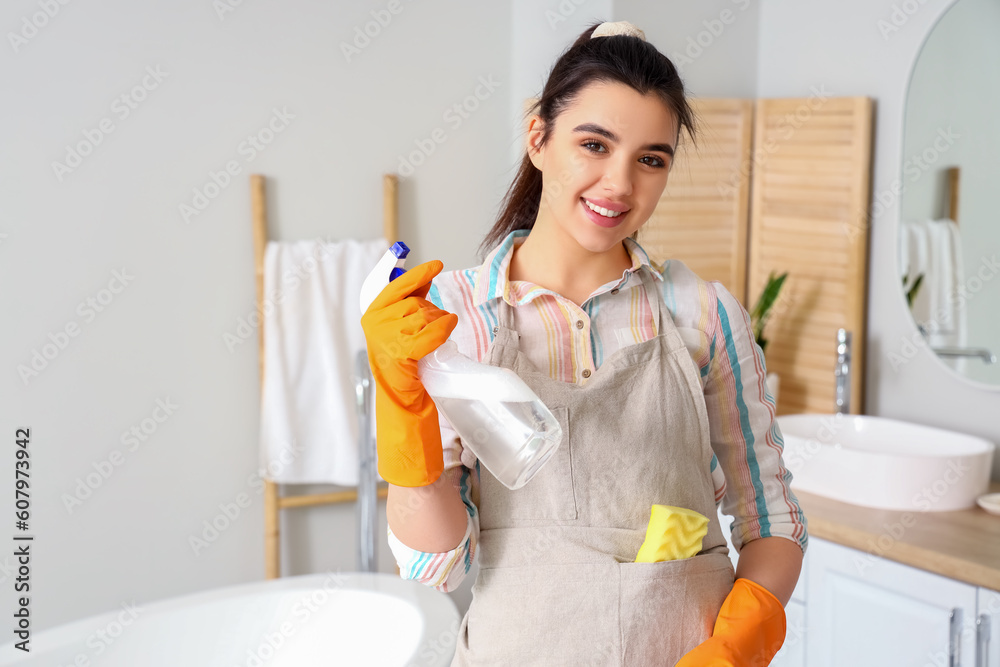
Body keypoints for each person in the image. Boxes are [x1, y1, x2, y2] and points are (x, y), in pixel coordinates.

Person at [361, 19, 808, 666]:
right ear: (538, 138)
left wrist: (737, 647)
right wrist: (403, 408)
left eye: (651, 158)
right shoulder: (455, 319)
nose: (621, 184)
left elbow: (774, 522)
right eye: (594, 145)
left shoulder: (703, 314)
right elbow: (436, 564)